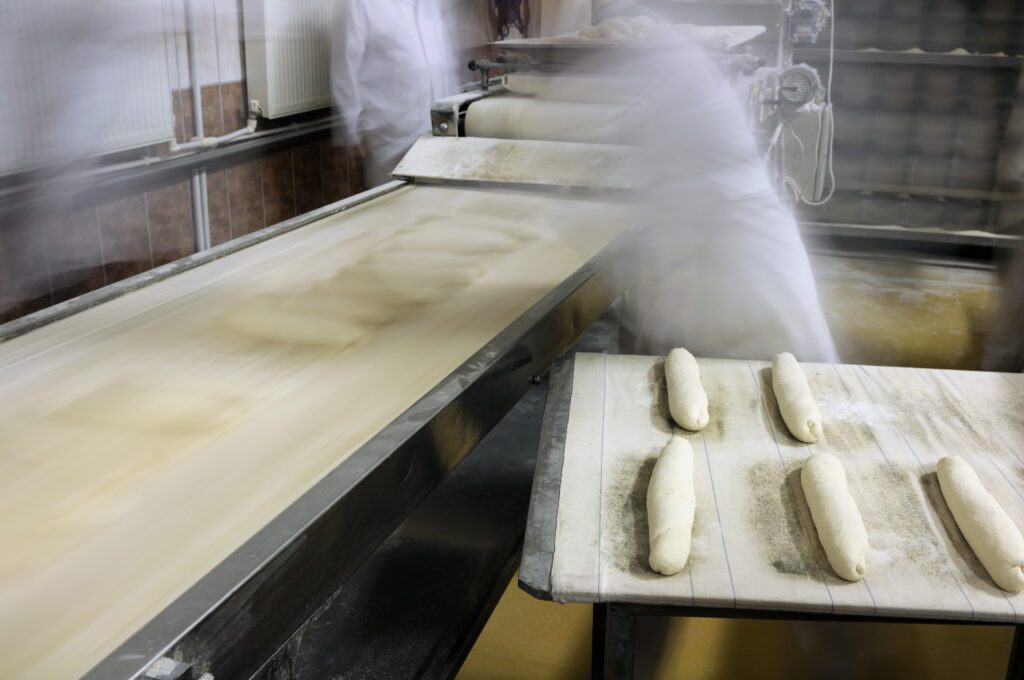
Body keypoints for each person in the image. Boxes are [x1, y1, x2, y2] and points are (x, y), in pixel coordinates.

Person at [331, 0, 461, 188]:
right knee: (393, 208)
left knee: (436, 206)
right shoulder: (361, 5)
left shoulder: (431, 5)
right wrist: (351, 130)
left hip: (437, 136)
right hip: (391, 139)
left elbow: (446, 66)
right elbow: (343, 70)